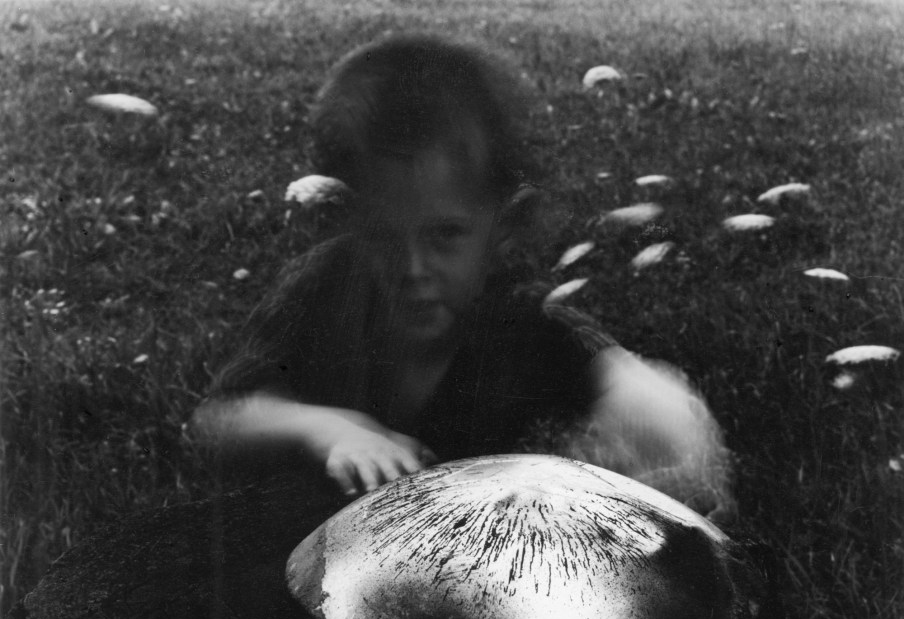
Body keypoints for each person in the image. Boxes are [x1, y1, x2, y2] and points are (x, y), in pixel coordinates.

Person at [189, 34, 734, 522]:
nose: (412, 269)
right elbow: (218, 422)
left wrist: (654, 410)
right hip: (303, 553)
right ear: (350, 216)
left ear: (502, 226)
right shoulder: (323, 287)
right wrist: (330, 428)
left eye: (444, 235)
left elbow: (613, 375)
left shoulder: (511, 317)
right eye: (382, 236)